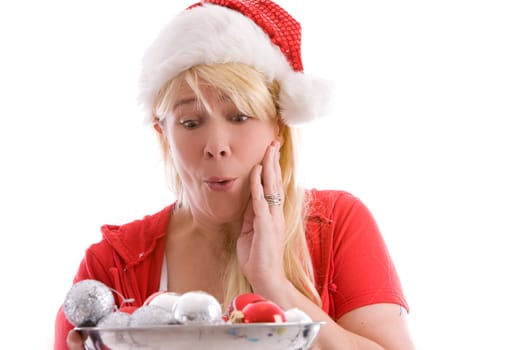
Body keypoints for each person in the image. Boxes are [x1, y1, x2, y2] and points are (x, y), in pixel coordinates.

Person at [54, 0, 415, 349]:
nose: (216, 145)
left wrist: (274, 284)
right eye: (191, 122)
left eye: (240, 116)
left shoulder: (338, 225)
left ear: (279, 127)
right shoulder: (112, 265)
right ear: (163, 133)